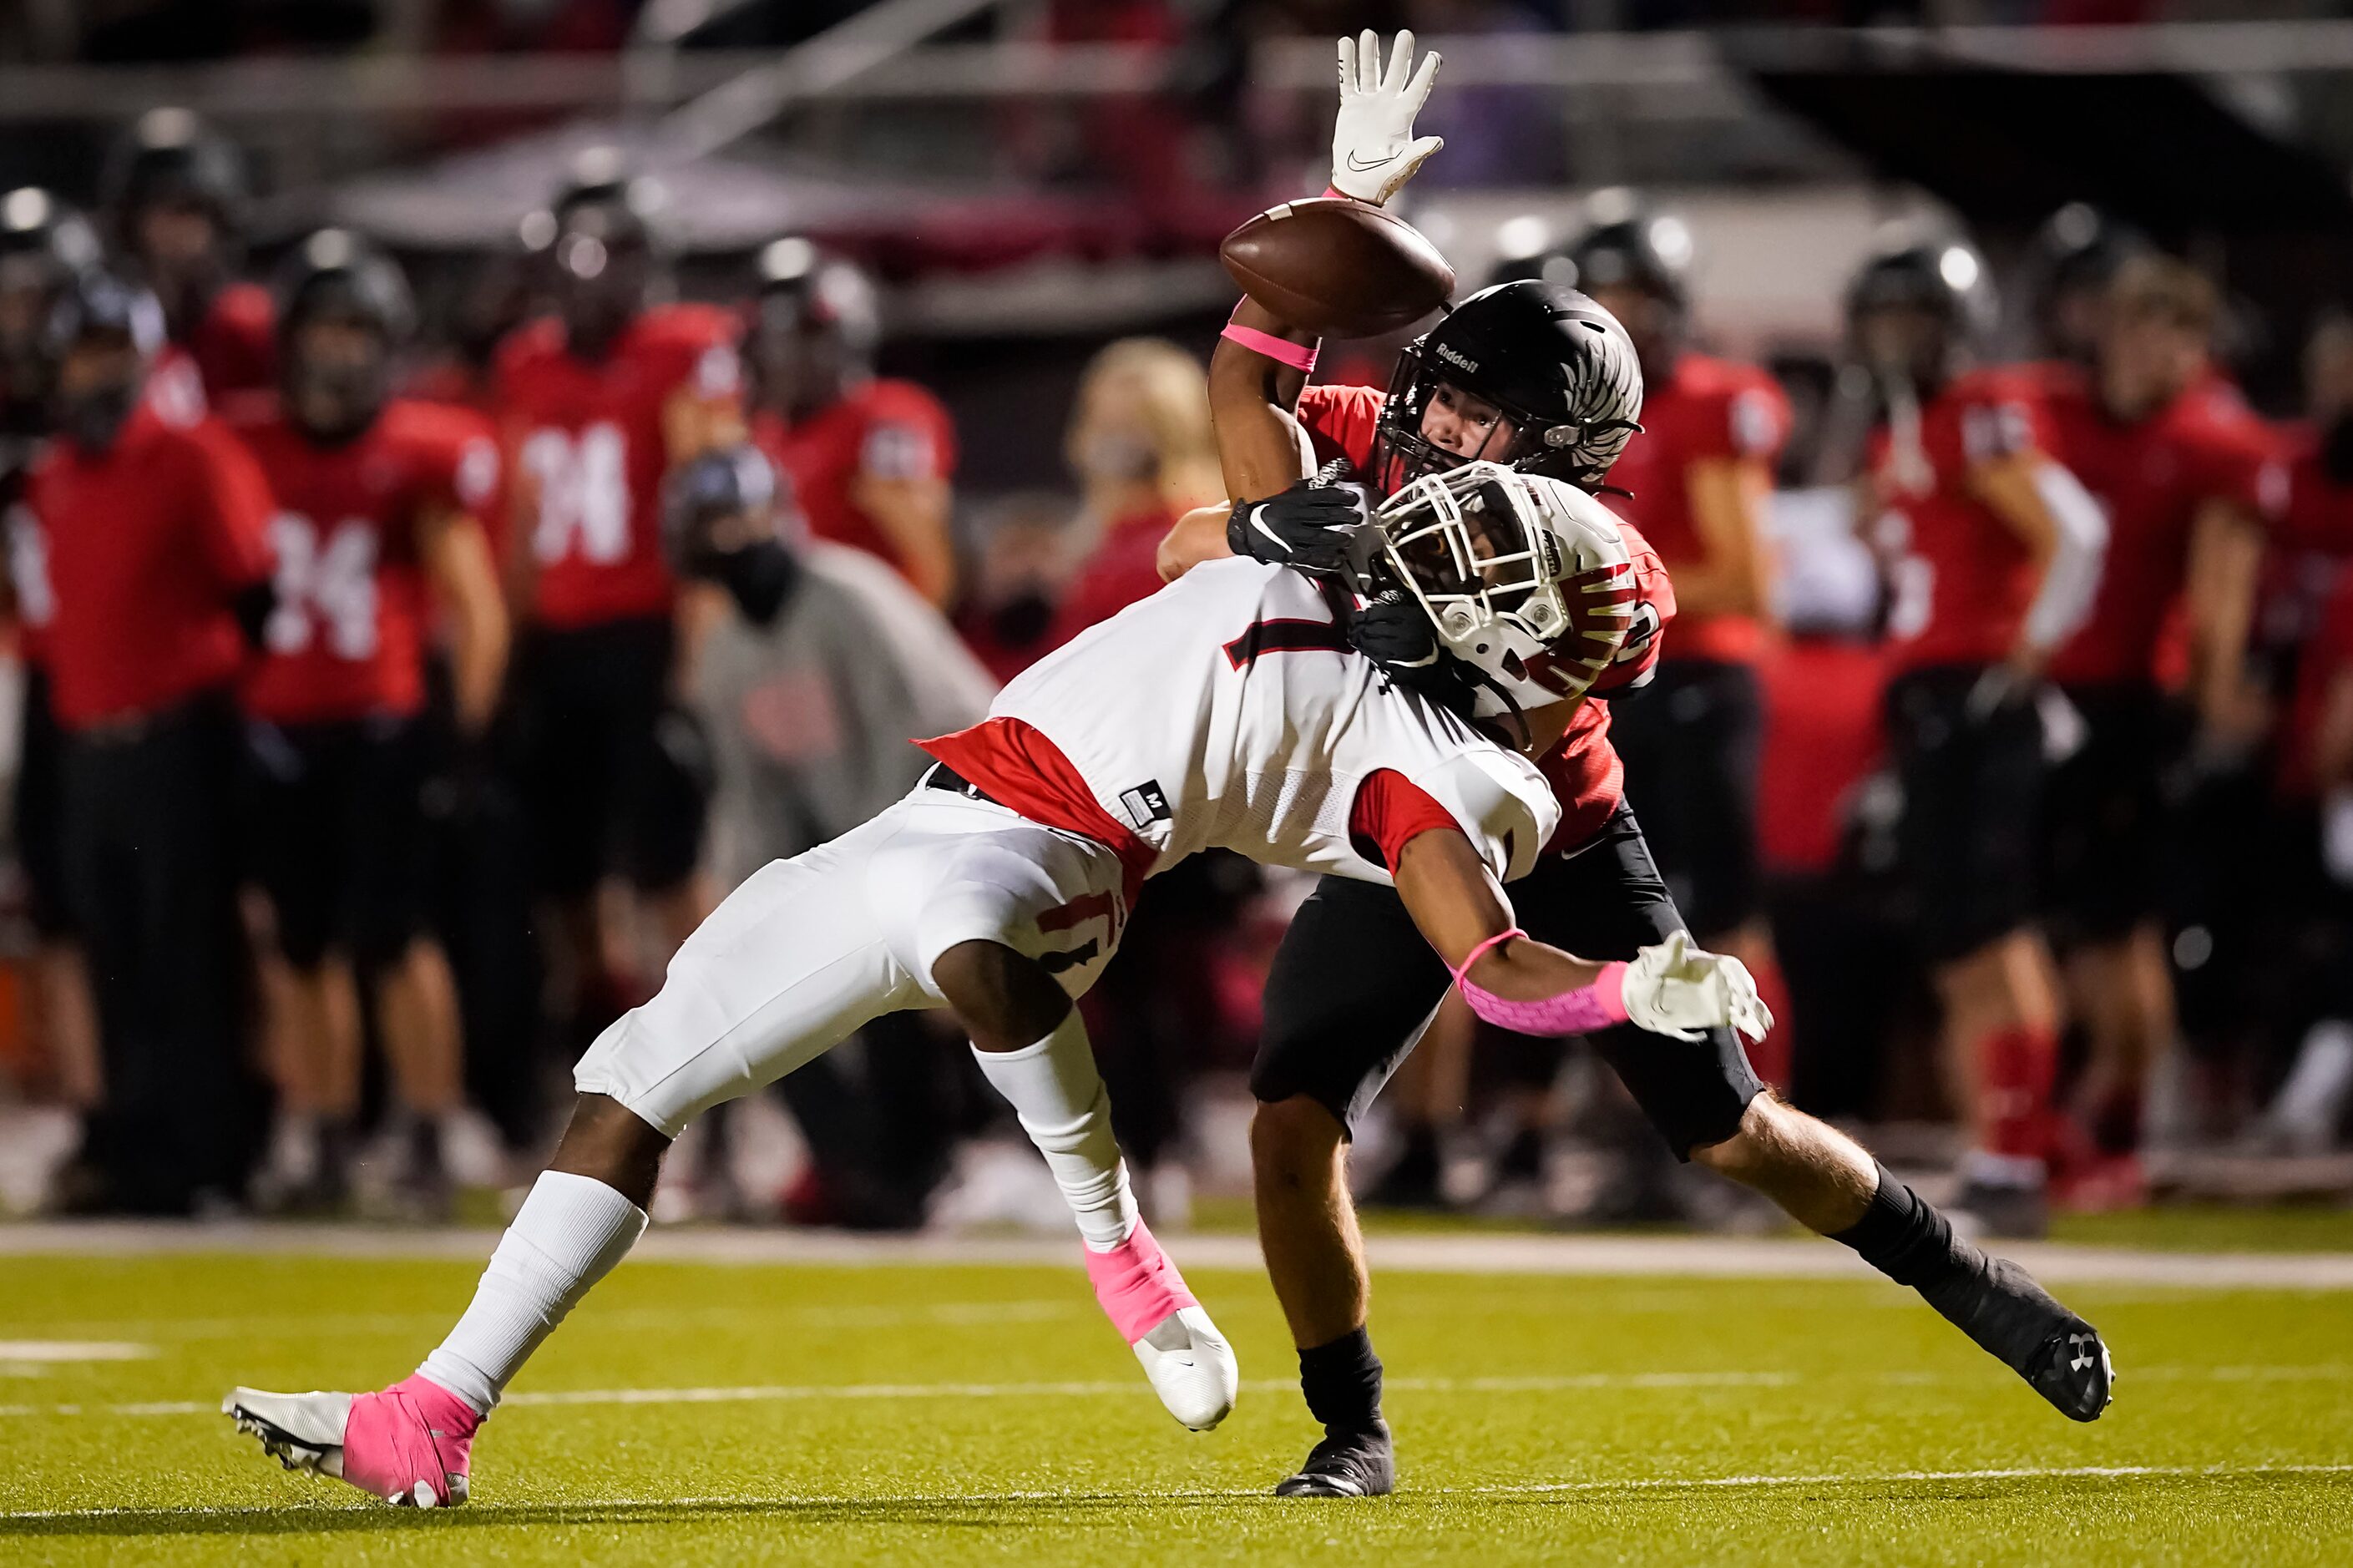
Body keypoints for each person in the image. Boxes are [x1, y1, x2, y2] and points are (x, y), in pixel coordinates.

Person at [220, 435, 1760, 1511]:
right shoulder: (1327, 570)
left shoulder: (1435, 762)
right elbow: (1203, 490)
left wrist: (1644, 987)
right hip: (924, 810)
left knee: (963, 942)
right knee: (632, 1072)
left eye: (1497, 557)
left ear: (1518, 645)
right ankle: (429, 1415)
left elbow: (1491, 969)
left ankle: (1119, 1249)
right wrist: (1342, 211)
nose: (1446, 536)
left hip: (1058, 867)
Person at [1158, 33, 2111, 1500]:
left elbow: (1504, 748)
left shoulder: (1609, 568)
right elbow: (1241, 400)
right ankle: (1350, 1429)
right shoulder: (1388, 447)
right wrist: (1333, 226)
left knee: (1731, 1129)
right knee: (1286, 1120)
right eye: (1445, 396)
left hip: (1542, 828)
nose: (1448, 428)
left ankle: (1966, 1276)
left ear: (1567, 454)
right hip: (1391, 819)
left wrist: (1369, 591)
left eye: (1487, 417)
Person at [228, 231, 510, 1216]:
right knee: (300, 947)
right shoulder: (245, 444)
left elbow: (474, 604)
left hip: (381, 725)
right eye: (326, 326)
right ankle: (323, 1134)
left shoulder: (419, 452)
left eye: (359, 328)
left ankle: (431, 1128)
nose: (342, 350)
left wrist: (461, 732)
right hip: (278, 728)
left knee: (394, 938)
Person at [1850, 231, 2109, 1237]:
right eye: (1883, 320)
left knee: (1994, 932)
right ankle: (1993, 1147)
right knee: (1957, 939)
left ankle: (2017, 1152)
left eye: (1912, 319)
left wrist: (2025, 657)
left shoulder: (1978, 413)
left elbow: (2074, 533)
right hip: (1930, 695)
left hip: (1977, 695)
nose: (1894, 340)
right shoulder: (1904, 430)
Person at [663, 443, 995, 1226]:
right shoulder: (725, 655)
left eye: (741, 516)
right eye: (713, 522)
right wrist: (748, 916)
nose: (733, 539)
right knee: (765, 991)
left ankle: (950, 1161)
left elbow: (925, 738)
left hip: (971, 813)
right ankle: (857, 1170)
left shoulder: (852, 597)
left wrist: (874, 879)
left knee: (895, 982)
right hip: (872, 844)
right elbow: (755, 807)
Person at [13, 266, 276, 1213]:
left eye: (114, 350)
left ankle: (207, 1156)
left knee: (188, 954)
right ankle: (132, 1148)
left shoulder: (193, 455)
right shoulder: (52, 478)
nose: (97, 371)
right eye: (84, 351)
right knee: (112, 952)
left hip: (178, 741)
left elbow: (255, 589)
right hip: (88, 747)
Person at [2035, 255, 2278, 1206]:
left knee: (2119, 929)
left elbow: (2221, 600)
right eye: (2126, 329)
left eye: (2158, 333)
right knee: (2082, 927)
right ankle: (2097, 1119)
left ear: (2193, 346)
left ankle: (2120, 1130)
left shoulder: (2215, 442)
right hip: (2066, 702)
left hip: (2136, 704)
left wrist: (2213, 704)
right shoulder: (2065, 412)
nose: (2137, 352)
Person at [494, 150, 742, 1036]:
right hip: (559, 643)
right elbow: (522, 523)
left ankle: (720, 1048)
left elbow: (708, 506)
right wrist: (510, 650)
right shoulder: (525, 362)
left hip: (646, 634)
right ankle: (606, 1042)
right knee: (566, 869)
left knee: (668, 863)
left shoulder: (682, 350)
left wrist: (693, 657)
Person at [1561, 195, 1797, 1086]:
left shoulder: (1709, 401)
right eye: (1602, 293)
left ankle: (1764, 1111)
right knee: (1625, 919)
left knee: (1722, 911)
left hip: (1698, 673)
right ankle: (1656, 1121)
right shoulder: (1580, 412)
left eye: (1634, 294)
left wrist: (1589, 588)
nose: (1618, 315)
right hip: (1615, 686)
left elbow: (1744, 580)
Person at [0, 189, 104, 1126]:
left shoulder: (118, 401)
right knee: (52, 905)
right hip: (29, 672)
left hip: (117, 679)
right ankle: (72, 1109)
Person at [745, 239, 959, 605]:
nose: (787, 353)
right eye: (778, 338)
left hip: (866, 627)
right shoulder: (761, 435)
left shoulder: (882, 418)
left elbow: (930, 561)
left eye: (807, 335)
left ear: (849, 336)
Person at [100, 108, 276, 407]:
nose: (177, 228)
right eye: (161, 209)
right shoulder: (105, 333)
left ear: (220, 221)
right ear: (132, 222)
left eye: (191, 210)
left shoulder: (250, 328)